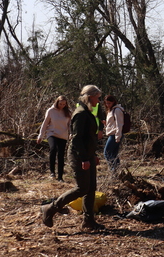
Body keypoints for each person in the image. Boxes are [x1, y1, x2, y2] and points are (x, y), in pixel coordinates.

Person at [41, 85, 103, 230]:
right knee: (82, 188)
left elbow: (89, 138)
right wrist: (84, 159)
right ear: (90, 97)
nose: (99, 101)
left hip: (87, 154)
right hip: (79, 155)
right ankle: (50, 208)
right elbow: (77, 140)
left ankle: (88, 221)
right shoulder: (80, 114)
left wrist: (93, 155)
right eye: (97, 97)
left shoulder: (87, 112)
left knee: (91, 188)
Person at [37, 95, 72, 181]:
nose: (62, 106)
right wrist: (40, 135)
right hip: (52, 133)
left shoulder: (68, 112)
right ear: (57, 102)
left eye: (64, 104)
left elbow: (70, 125)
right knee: (53, 149)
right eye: (60, 104)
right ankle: (52, 172)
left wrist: (71, 133)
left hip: (63, 135)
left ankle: (60, 176)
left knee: (61, 154)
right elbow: (45, 123)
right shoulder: (51, 111)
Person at [103, 95, 125, 173]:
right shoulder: (111, 110)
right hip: (112, 134)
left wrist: (117, 137)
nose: (107, 105)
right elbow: (112, 123)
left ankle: (113, 171)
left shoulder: (117, 110)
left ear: (113, 102)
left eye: (109, 103)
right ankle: (118, 171)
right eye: (106, 103)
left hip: (115, 135)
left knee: (107, 153)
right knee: (114, 154)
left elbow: (119, 124)